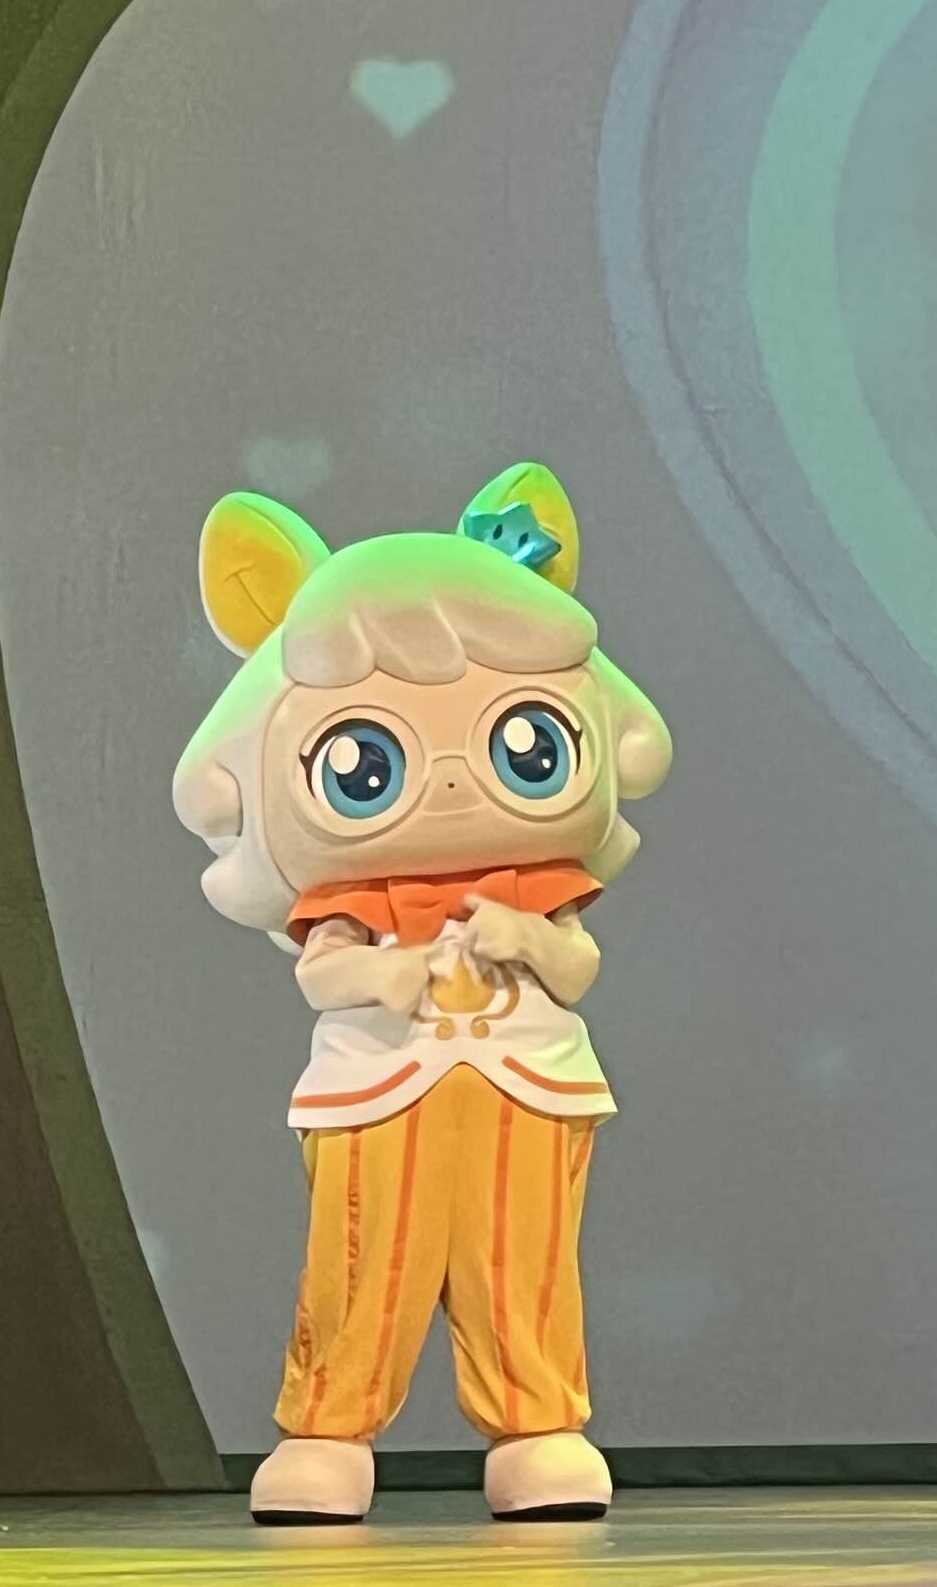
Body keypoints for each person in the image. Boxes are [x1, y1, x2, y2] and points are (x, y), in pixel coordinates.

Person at [170, 463, 673, 1525]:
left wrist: (525, 936)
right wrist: (384, 971)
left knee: (522, 1257)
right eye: (367, 764)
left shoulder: (542, 885)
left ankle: (538, 1425)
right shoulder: (353, 895)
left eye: (525, 747)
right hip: (378, 1086)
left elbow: (578, 967)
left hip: (528, 1081)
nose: (449, 781)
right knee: (364, 1259)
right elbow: (322, 969)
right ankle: (328, 1431)